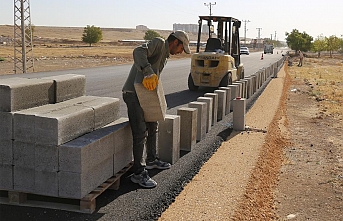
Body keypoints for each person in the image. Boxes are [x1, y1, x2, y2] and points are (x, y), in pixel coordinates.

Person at [122, 30, 190, 188]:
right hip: (133, 94)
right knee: (140, 132)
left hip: (145, 94)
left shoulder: (165, 55)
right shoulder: (159, 43)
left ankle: (151, 159)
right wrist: (147, 71)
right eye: (181, 48)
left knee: (153, 124)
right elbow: (138, 51)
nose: (180, 52)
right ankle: (138, 173)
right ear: (175, 42)